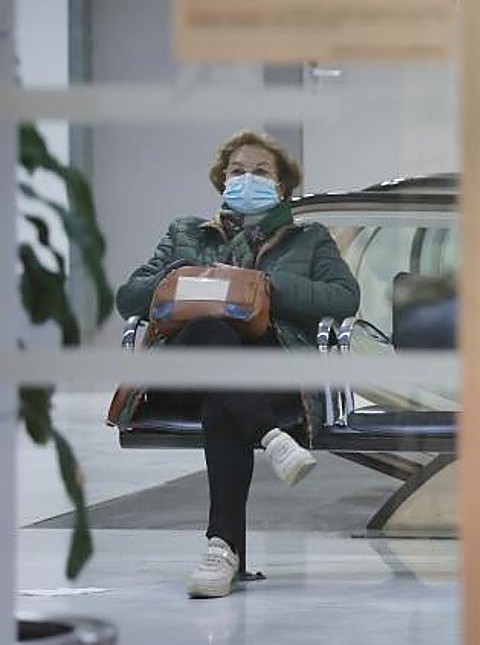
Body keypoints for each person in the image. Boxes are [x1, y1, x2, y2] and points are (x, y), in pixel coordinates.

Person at [115, 130, 360, 599]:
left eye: (261, 172)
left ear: (282, 187)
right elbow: (129, 296)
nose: (247, 179)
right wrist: (182, 278)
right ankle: (271, 436)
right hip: (187, 366)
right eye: (237, 171)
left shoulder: (308, 239)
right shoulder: (185, 233)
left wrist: (264, 286)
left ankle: (221, 549)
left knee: (222, 405)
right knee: (210, 330)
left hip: (270, 368)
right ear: (221, 181)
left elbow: (345, 297)